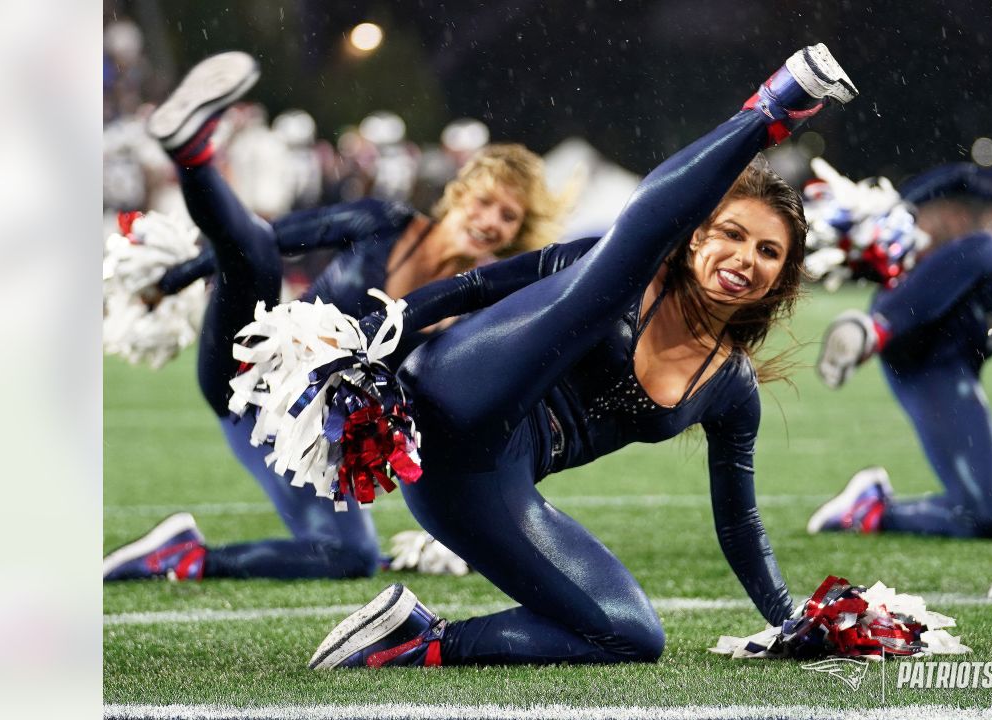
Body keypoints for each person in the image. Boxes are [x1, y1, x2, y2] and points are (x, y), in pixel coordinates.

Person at [300, 43, 857, 668]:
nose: (745, 259)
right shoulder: (618, 261)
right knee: (616, 270)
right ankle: (771, 109)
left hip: (478, 486)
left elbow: (739, 521)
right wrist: (383, 327)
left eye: (767, 251)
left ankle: (416, 639)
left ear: (780, 277)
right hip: (453, 394)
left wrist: (791, 620)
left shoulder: (730, 386)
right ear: (696, 234)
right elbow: (480, 287)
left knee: (632, 636)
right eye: (731, 233)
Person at [102, 51, 565, 582]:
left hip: (302, 434)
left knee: (351, 558)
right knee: (257, 256)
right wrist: (174, 278)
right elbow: (268, 239)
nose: (489, 222)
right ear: (458, 195)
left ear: (519, 234)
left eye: (508, 217)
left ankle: (179, 555)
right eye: (485, 202)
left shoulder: (473, 308)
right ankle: (192, 150)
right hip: (250, 374)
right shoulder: (382, 222)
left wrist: (451, 532)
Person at [808, 162, 992, 539]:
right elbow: (962, 190)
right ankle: (871, 331)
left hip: (967, 346)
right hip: (919, 337)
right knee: (985, 247)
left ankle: (868, 510)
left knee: (985, 516)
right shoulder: (984, 217)